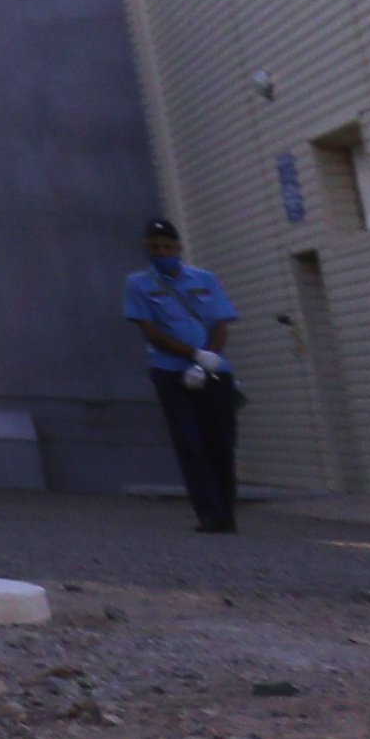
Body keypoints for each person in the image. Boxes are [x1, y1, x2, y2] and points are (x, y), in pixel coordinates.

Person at [124, 216, 240, 532]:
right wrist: (193, 356)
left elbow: (221, 324)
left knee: (220, 442)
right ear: (147, 248)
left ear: (178, 247)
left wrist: (205, 362)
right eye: (155, 247)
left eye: (167, 246)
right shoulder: (138, 284)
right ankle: (209, 513)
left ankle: (226, 514)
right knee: (190, 443)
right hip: (171, 373)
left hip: (214, 372)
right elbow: (151, 331)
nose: (162, 253)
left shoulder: (204, 279)